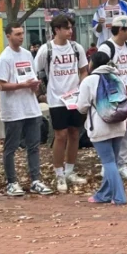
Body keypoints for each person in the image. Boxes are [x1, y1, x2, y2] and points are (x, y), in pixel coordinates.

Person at [0, 23, 53, 196]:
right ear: (8, 36)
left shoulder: (28, 54)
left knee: (34, 146)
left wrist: (35, 87)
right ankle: (11, 181)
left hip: (30, 107)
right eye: (17, 34)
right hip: (13, 110)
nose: (21, 37)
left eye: (22, 33)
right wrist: (23, 85)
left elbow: (32, 77)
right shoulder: (5, 58)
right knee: (11, 147)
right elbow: (1, 85)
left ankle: (35, 179)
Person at [34, 14, 89, 193]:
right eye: (66, 28)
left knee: (74, 133)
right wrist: (41, 93)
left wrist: (81, 86)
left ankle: (70, 171)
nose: (70, 31)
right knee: (60, 135)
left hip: (75, 97)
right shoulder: (46, 49)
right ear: (57, 30)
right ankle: (59, 173)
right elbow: (37, 72)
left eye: (71, 28)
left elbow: (83, 70)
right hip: (57, 98)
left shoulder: (76, 48)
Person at [76, 51, 127, 205]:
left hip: (100, 126)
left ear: (93, 63)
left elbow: (81, 107)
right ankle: (103, 194)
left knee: (108, 162)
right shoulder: (117, 77)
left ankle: (119, 196)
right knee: (113, 160)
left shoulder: (89, 81)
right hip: (118, 124)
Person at [97, 15, 127, 181]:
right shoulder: (106, 48)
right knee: (111, 132)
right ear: (121, 29)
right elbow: (100, 72)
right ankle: (108, 165)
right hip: (111, 99)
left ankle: (123, 164)